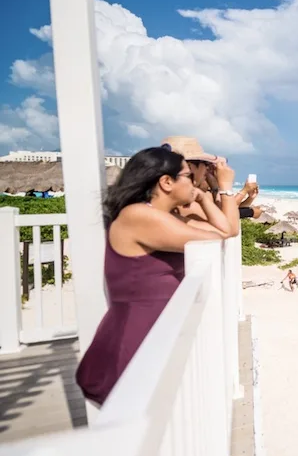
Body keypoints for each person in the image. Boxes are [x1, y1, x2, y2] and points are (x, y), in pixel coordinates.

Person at [75, 146, 235, 406]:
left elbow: (227, 231)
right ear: (166, 182)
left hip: (151, 335)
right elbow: (220, 236)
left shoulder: (160, 217)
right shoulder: (139, 216)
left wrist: (206, 199)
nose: (195, 183)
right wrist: (219, 191)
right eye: (188, 176)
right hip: (132, 343)